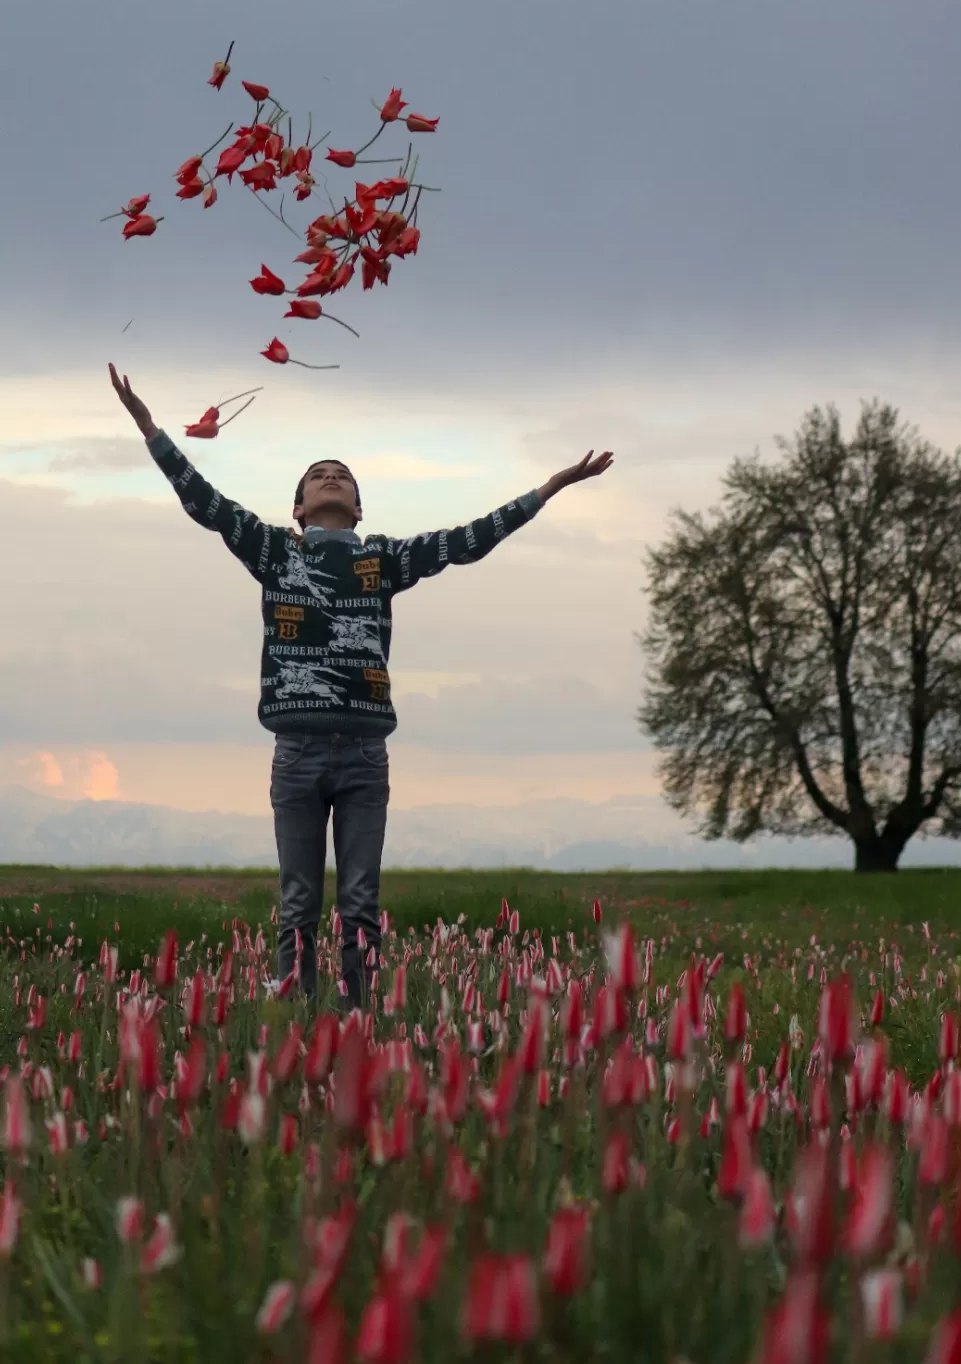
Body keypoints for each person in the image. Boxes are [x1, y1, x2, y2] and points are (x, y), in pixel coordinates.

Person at [108, 363, 613, 1007]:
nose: (331, 478)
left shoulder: (382, 560)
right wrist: (149, 426)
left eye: (342, 475)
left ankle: (359, 1021)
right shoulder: (273, 552)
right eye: (317, 475)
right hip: (294, 752)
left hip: (365, 757)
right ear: (296, 508)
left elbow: (467, 541)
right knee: (298, 900)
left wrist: (549, 488)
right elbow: (202, 500)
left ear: (359, 506)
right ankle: (297, 1018)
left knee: (360, 901)